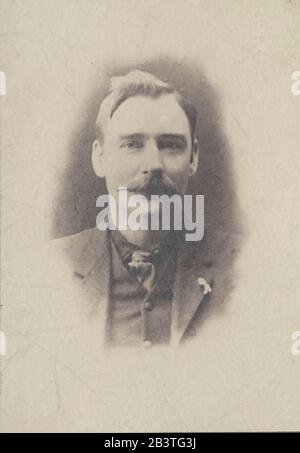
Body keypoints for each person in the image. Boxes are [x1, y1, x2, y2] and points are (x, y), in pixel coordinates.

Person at [51, 69, 214, 349]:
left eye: (171, 145)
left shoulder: (243, 267)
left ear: (194, 157)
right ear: (99, 156)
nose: (154, 164)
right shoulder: (47, 268)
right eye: (131, 145)